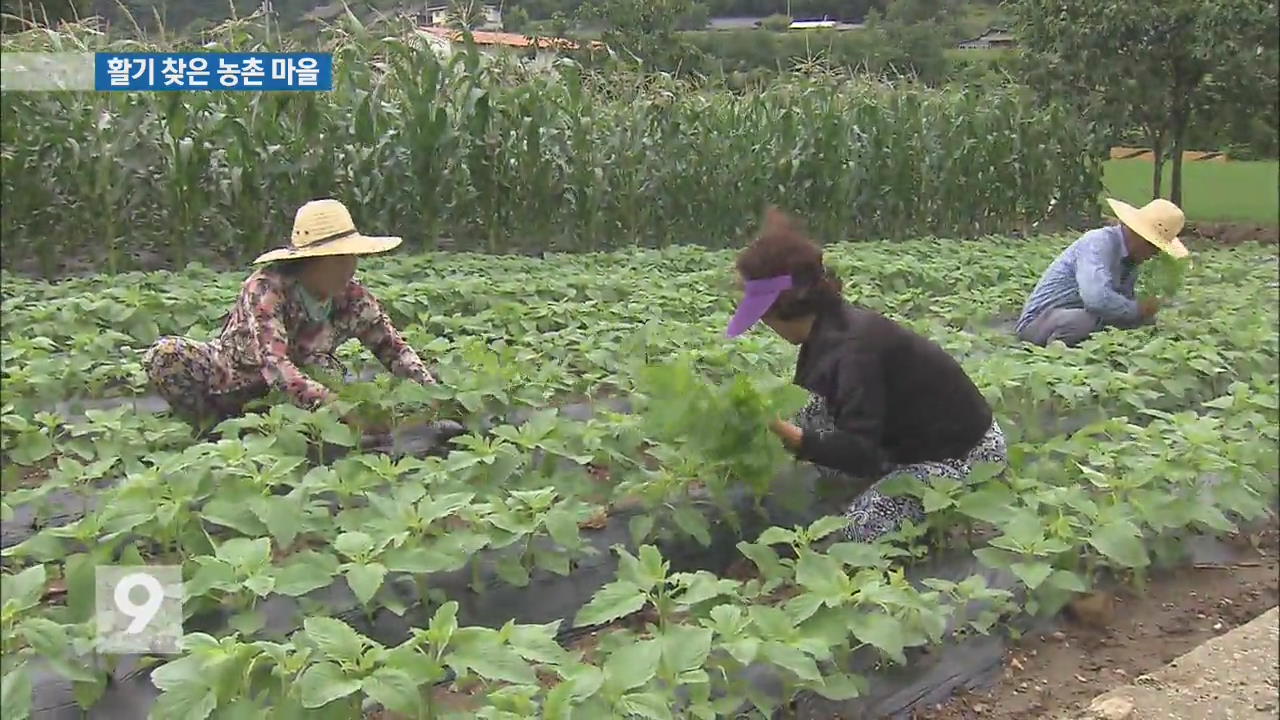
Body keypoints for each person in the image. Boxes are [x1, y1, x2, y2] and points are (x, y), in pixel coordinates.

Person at [725, 207, 1007, 543]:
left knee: (855, 536)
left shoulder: (855, 349)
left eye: (761, 315)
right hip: (900, 442)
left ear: (780, 307)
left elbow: (861, 452)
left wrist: (792, 437)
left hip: (960, 456)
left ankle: (918, 510)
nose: (761, 324)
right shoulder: (827, 331)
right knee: (809, 408)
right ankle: (859, 488)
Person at [142, 198, 438, 433]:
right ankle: (210, 430)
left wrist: (434, 395)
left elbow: (392, 348)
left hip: (305, 386)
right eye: (339, 258)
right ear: (311, 261)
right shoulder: (268, 289)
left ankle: (299, 430)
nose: (350, 267)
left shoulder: (352, 297)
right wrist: (341, 410)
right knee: (166, 355)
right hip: (237, 376)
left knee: (332, 373)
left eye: (352, 256)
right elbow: (275, 365)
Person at [1014, 198, 1191, 348]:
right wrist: (1138, 309)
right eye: (1154, 247)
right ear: (1140, 236)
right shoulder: (1098, 243)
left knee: (1141, 323)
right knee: (1087, 320)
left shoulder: (1130, 262)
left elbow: (1120, 305)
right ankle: (1056, 358)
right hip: (1037, 323)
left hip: (1076, 316)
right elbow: (1096, 299)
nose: (1155, 254)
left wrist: (1143, 315)